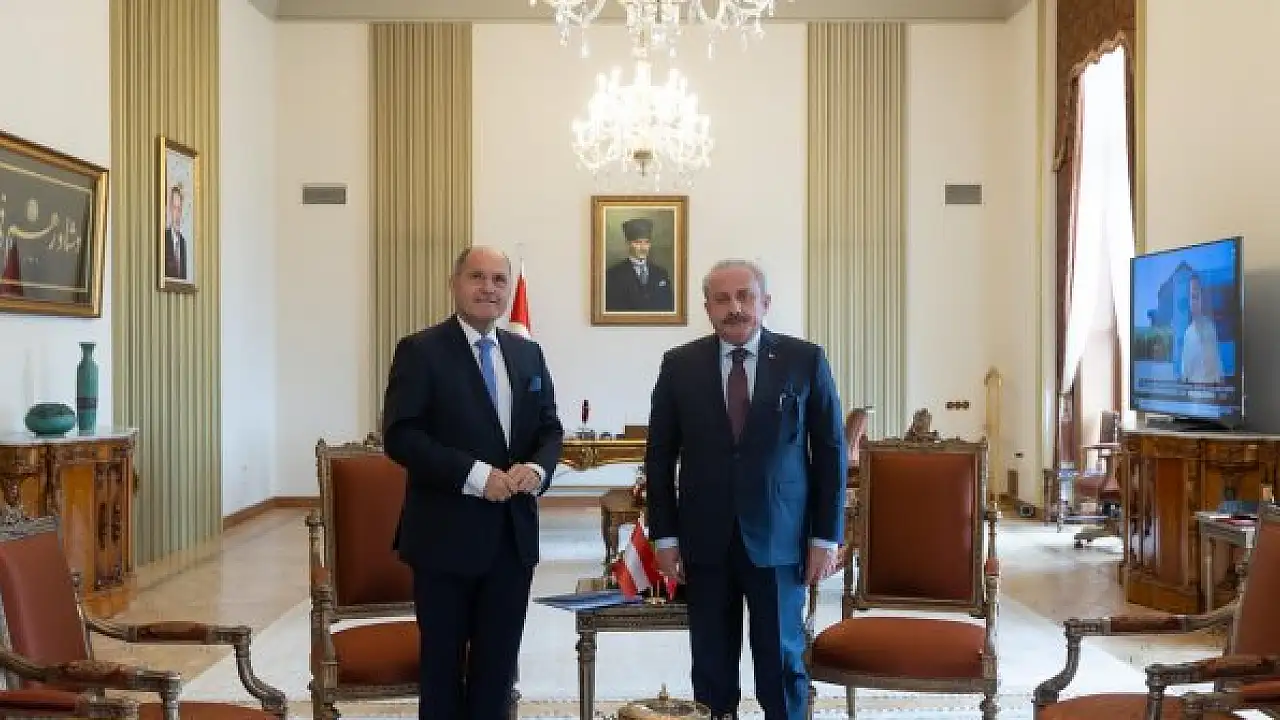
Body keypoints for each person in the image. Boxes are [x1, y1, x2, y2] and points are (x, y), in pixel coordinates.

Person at [644, 258, 846, 720]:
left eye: (744, 296)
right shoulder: (679, 365)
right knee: (711, 667)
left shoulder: (805, 360)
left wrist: (825, 536)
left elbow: (830, 453)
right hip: (704, 539)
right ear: (707, 308)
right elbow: (659, 457)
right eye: (722, 299)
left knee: (781, 664)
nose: (734, 308)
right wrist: (665, 536)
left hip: (781, 538)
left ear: (765, 302)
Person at [381, 245, 564, 720]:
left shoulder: (527, 353)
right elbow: (401, 436)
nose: (489, 288)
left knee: (497, 674)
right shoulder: (420, 351)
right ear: (454, 283)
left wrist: (537, 470)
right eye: (477, 277)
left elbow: (549, 429)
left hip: (512, 541)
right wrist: (475, 476)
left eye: (499, 280)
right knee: (442, 675)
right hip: (444, 537)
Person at [605, 217, 674, 312]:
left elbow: (669, 307)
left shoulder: (661, 273)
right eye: (638, 243)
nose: (643, 247)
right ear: (628, 244)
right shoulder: (613, 275)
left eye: (646, 242)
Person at [1179, 273, 1224, 384]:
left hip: (1210, 392)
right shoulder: (1187, 334)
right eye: (1193, 297)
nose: (1196, 301)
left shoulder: (1210, 328)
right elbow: (1185, 375)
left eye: (1198, 296)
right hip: (1193, 393)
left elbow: (1218, 369)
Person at [164, 184, 189, 281]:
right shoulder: (163, 239)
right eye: (174, 208)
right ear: (170, 210)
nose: (177, 214)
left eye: (179, 209)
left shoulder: (183, 243)